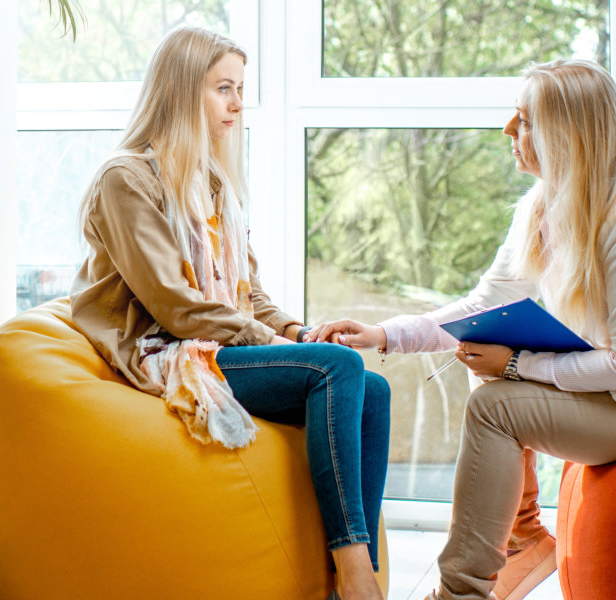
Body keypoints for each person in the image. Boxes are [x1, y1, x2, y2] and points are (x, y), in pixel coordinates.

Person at [314, 58, 616, 600]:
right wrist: (384, 335)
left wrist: (515, 364)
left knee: (495, 404)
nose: (509, 130)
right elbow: (482, 304)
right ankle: (524, 535)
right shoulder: (542, 206)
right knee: (482, 353)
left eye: (525, 120)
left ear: (566, 134)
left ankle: (460, 592)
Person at [67, 25, 393, 600]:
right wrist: (269, 342)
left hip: (218, 345)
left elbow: (250, 293)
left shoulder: (211, 183)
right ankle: (356, 576)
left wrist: (297, 331)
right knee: (336, 370)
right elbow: (174, 306)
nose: (238, 104)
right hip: (168, 353)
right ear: (181, 90)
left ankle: (348, 565)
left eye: (239, 89)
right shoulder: (127, 179)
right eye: (224, 88)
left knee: (373, 386)